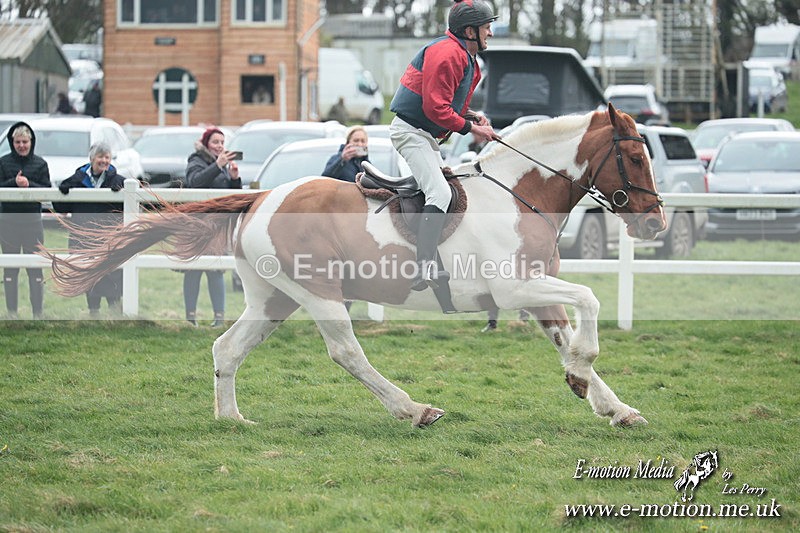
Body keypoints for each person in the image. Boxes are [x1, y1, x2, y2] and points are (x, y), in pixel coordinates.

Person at [389, 0, 499, 291]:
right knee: (439, 192)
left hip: (422, 134)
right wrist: (473, 128)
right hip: (411, 133)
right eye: (486, 27)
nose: (490, 32)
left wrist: (472, 116)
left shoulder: (462, 55)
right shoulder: (448, 53)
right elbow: (435, 108)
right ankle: (423, 267)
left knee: (450, 190)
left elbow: (446, 103)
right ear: (470, 31)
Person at [180, 127, 242, 327]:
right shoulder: (196, 160)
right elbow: (195, 182)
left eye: (222, 142)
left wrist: (234, 179)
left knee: (216, 270)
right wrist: (217, 165)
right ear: (206, 144)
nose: (220, 146)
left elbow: (230, 196)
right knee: (193, 270)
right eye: (216, 142)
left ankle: (219, 318)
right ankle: (191, 318)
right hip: (197, 225)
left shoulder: (221, 164)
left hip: (216, 226)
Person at [54, 142, 125, 316]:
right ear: (92, 159)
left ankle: (115, 312)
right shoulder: (77, 179)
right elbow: (60, 207)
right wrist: (64, 190)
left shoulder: (119, 181)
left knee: (112, 273)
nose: (104, 161)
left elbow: (132, 207)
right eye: (100, 157)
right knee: (89, 274)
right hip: (84, 236)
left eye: (107, 157)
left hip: (109, 237)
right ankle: (93, 312)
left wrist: (121, 193)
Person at [0, 122, 51, 319]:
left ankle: (37, 314)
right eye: (18, 142)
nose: (21, 145)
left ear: (31, 142)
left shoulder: (41, 164)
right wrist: (14, 183)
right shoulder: (3, 163)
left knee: (35, 268)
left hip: (32, 223)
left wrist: (29, 184)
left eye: (25, 142)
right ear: (12, 143)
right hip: (8, 223)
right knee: (10, 269)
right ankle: (12, 313)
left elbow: (47, 190)